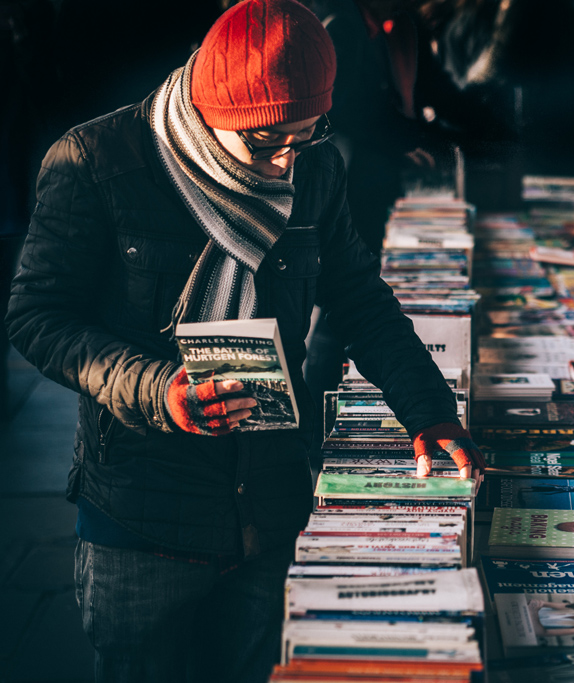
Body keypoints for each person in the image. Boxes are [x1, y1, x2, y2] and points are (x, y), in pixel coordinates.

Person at [4, 1, 482, 680]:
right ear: (211, 109)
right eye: (265, 142)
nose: (287, 160)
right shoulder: (93, 162)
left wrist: (428, 409)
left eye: (307, 134)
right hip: (142, 518)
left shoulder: (313, 170)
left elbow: (359, 298)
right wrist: (157, 388)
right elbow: (37, 316)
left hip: (267, 503)